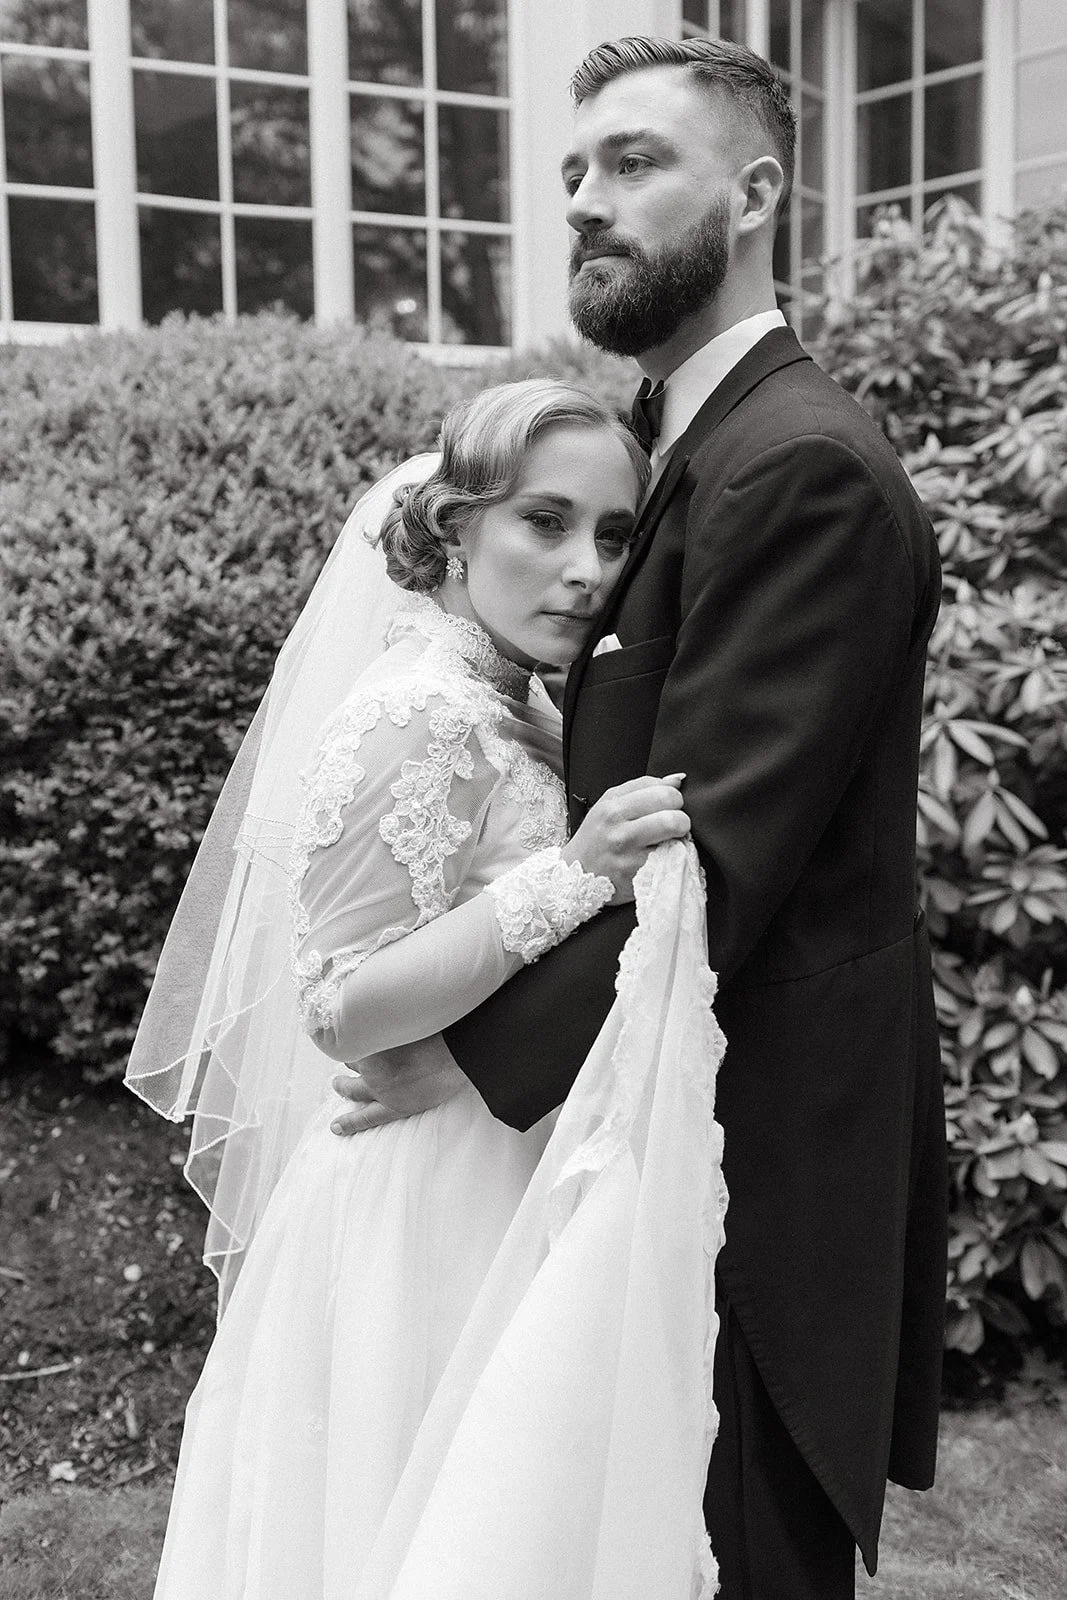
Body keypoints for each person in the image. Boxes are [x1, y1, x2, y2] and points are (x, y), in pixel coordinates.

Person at [334, 36, 948, 1600]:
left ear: (752, 194)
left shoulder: (795, 466)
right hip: (655, 1119)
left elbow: (711, 859)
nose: (585, 202)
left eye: (631, 163)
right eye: (574, 173)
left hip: (749, 1158)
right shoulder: (678, 445)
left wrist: (457, 1057)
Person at [128, 379, 727, 1598]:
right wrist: (576, 872)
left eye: (613, 536)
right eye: (543, 522)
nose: (585, 568)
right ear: (453, 529)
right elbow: (343, 1004)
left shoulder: (528, 711)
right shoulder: (415, 714)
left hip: (518, 1147)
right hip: (424, 1187)